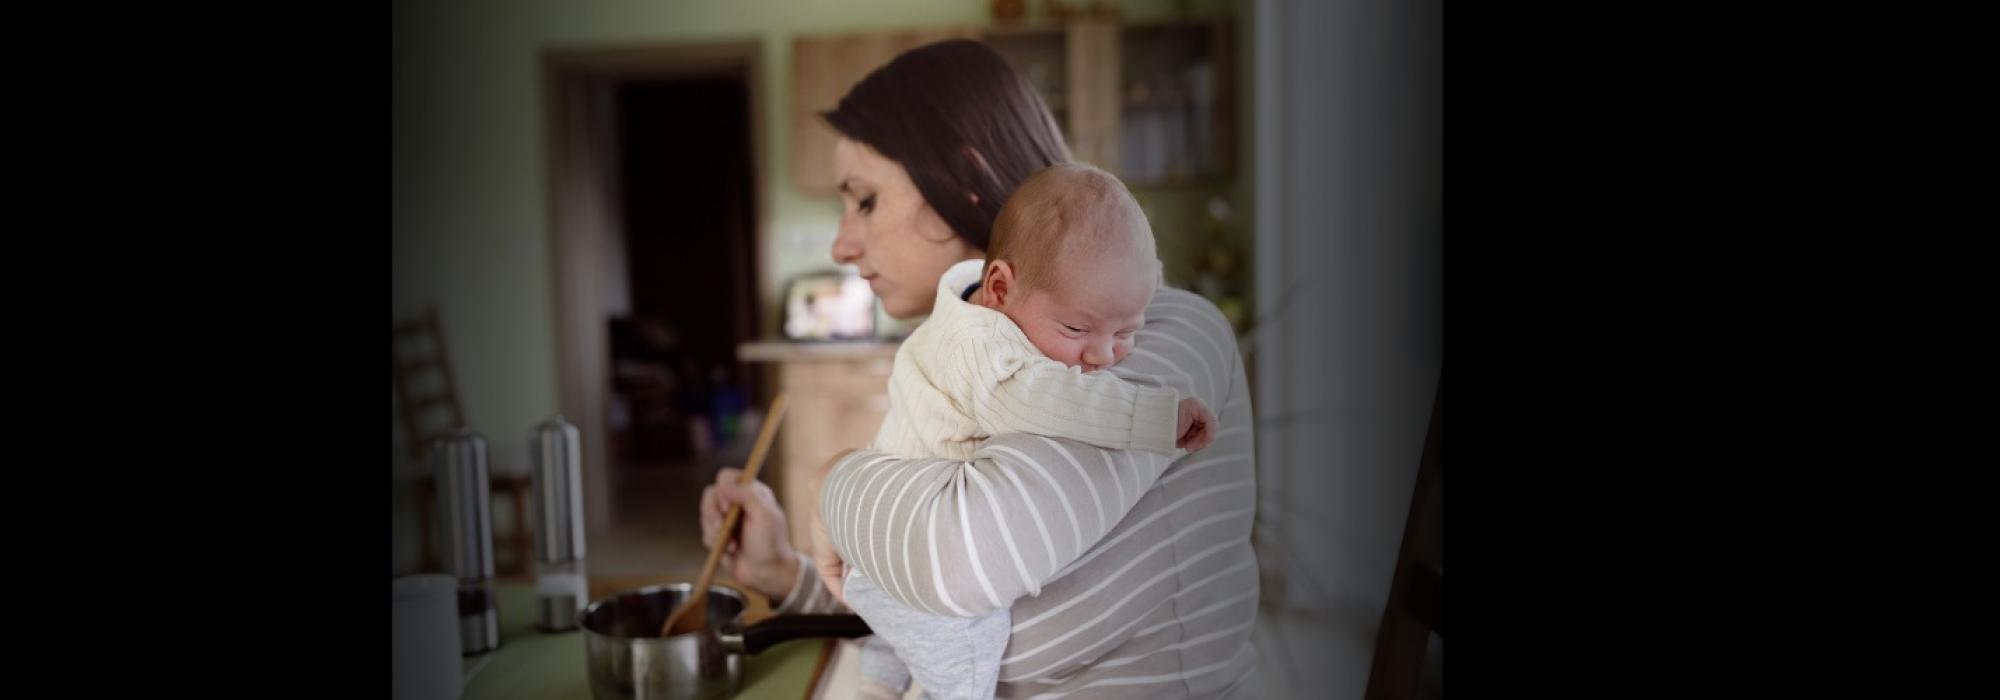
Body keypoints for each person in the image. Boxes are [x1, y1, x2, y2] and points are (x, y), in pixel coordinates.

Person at [698, 38, 1262, 698]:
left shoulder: (1161, 339)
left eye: (865, 200)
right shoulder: (961, 359)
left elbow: (958, 561)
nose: (841, 244)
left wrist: (833, 482)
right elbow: (932, 623)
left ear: (961, 176)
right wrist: (781, 572)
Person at [838, 161, 1220, 699]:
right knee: (967, 660)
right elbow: (1047, 398)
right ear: (999, 287)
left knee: (897, 645)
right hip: (909, 563)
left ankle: (878, 681)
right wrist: (1153, 415)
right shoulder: (983, 352)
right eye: (1077, 328)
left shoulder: (1007, 307)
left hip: (881, 557)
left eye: (1127, 332)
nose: (1103, 356)